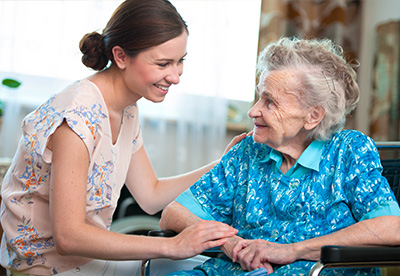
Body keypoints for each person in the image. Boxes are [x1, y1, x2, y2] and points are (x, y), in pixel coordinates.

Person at [0, 0, 242, 275]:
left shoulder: (126, 108)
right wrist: (173, 245)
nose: (175, 76)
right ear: (121, 56)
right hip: (44, 266)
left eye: (180, 61)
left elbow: (150, 194)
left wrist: (222, 164)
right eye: (163, 63)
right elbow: (69, 237)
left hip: (85, 260)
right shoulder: (77, 119)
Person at [159, 37, 400, 276]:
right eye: (259, 96)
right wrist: (228, 243)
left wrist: (292, 251)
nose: (253, 111)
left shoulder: (348, 151)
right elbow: (173, 214)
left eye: (270, 102)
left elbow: (391, 227)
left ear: (312, 116)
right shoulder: (248, 151)